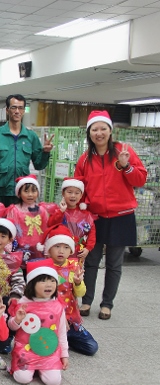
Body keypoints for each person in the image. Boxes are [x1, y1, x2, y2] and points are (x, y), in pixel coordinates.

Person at [74, 110, 147, 320]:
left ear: (110, 130)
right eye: (94, 129)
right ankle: (87, 301)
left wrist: (126, 167)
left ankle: (107, 304)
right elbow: (79, 187)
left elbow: (140, 180)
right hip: (94, 217)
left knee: (115, 263)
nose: (99, 133)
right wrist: (81, 205)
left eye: (103, 128)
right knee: (91, 261)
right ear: (89, 133)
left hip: (122, 215)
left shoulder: (124, 151)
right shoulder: (85, 159)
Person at [8, 259, 68, 385]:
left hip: (48, 350)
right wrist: (17, 320)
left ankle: (41, 368)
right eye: (43, 280)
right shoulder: (23, 303)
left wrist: (64, 355)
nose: (49, 285)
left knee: (54, 382)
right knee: (22, 378)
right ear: (32, 284)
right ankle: (28, 368)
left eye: (52, 281)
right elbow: (12, 327)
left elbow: (62, 332)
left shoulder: (57, 305)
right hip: (26, 349)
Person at [0, 94, 53, 205]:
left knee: (19, 221)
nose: (17, 111)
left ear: (23, 111)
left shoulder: (30, 136)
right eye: (14, 107)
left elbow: (39, 165)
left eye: (21, 108)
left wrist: (45, 152)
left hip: (22, 193)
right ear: (7, 110)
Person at [44, 225, 98, 356]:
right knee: (46, 348)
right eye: (57, 246)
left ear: (71, 250)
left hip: (71, 317)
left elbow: (80, 293)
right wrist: (60, 319)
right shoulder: (44, 267)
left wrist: (78, 283)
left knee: (91, 347)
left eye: (66, 247)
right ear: (49, 249)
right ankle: (57, 337)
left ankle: (65, 338)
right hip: (50, 318)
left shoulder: (74, 266)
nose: (61, 251)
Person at [4, 175, 55, 264]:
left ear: (38, 193)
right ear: (19, 193)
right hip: (19, 249)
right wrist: (8, 250)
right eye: (26, 191)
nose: (30, 194)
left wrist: (47, 249)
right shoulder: (14, 210)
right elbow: (9, 231)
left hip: (38, 249)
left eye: (33, 191)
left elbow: (46, 230)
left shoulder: (42, 210)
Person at [47, 177, 95, 260]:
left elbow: (92, 232)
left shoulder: (85, 215)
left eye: (77, 193)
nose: (73, 195)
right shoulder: (57, 211)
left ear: (81, 195)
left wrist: (88, 248)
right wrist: (61, 211)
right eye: (69, 192)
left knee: (75, 272)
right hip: (59, 253)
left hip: (77, 254)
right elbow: (51, 224)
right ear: (63, 193)